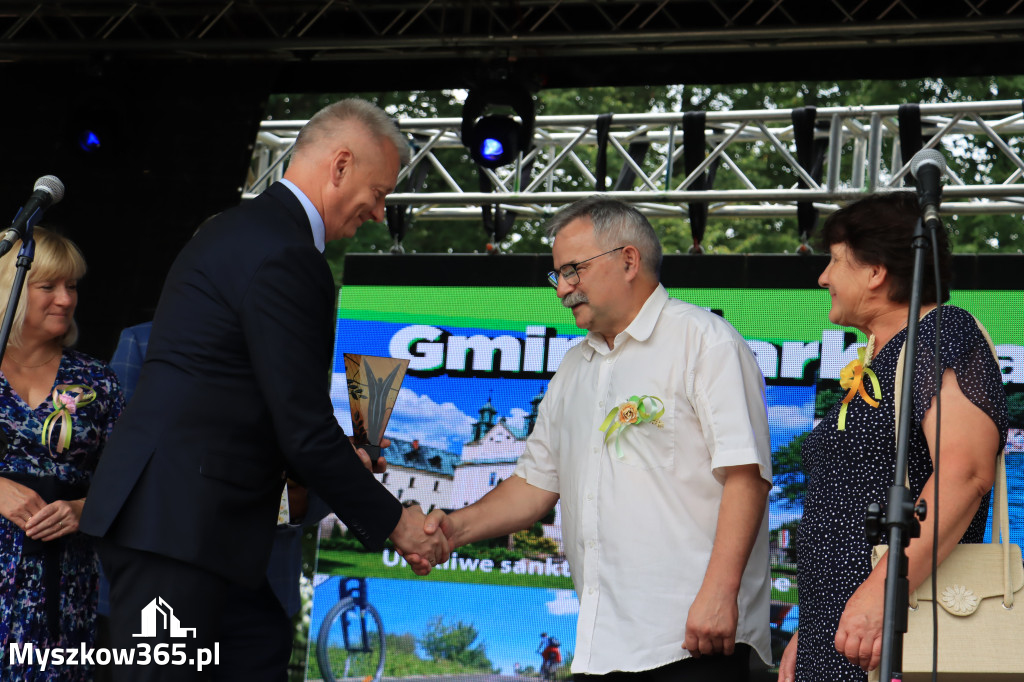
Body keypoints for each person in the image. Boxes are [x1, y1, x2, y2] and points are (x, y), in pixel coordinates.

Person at [79, 98, 449, 681]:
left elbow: (240, 397)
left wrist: (329, 464)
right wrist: (395, 521)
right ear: (340, 164)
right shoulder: (287, 254)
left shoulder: (238, 230)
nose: (379, 212)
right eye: (378, 192)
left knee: (259, 648)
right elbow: (301, 426)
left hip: (201, 532)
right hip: (179, 532)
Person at [418, 196, 774, 679]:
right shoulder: (572, 367)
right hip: (600, 646)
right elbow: (534, 485)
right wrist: (452, 531)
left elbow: (746, 476)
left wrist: (719, 593)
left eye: (573, 270)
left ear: (628, 260)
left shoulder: (704, 341)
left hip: (693, 641)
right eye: (557, 275)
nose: (563, 288)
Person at [776, 192, 1010, 682]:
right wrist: (813, 627)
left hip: (891, 631)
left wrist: (881, 595)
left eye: (835, 261)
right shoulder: (885, 357)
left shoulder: (942, 333)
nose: (823, 277)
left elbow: (964, 473)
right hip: (845, 629)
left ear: (875, 271)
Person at [105, 321, 332, 680]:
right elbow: (111, 465)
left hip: (262, 590)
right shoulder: (144, 342)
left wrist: (298, 496)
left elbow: (320, 473)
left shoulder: (304, 355)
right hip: (159, 584)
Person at [0, 227, 124, 681]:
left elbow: (133, 484)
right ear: (8, 288)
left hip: (62, 584)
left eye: (71, 286)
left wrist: (82, 510)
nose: (66, 299)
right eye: (48, 286)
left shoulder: (97, 379)